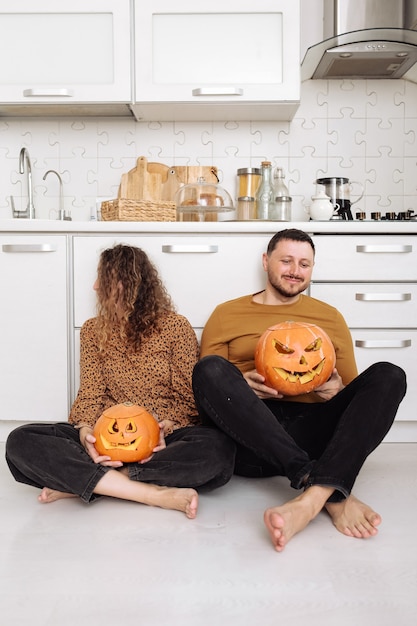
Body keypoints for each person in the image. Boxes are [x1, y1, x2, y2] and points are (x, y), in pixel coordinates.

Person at [192, 228, 406, 550]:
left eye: (304, 264)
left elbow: (355, 392)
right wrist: (241, 381)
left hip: (312, 430)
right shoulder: (226, 314)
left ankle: (311, 498)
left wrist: (335, 389)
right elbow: (210, 389)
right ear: (266, 262)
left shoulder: (330, 318)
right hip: (249, 437)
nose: (295, 271)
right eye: (287, 261)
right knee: (207, 368)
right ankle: (324, 488)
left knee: (390, 375)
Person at [6, 244, 235, 519]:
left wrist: (164, 427)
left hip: (164, 438)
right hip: (105, 436)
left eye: (102, 280)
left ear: (127, 284)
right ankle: (152, 493)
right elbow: (90, 394)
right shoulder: (93, 330)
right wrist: (85, 432)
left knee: (219, 450)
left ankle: (92, 483)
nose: (94, 287)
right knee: (20, 441)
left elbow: (187, 399)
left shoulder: (176, 327)